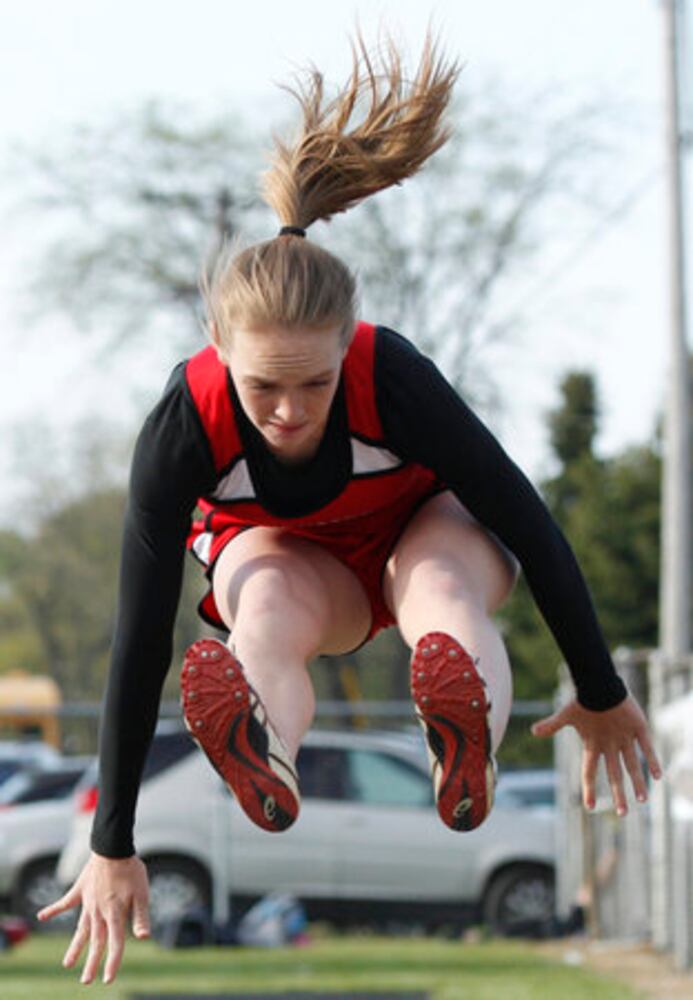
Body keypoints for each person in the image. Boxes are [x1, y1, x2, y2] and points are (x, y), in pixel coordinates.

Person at [38, 31, 661, 985]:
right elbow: (137, 638)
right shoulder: (184, 422)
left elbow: (526, 523)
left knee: (444, 590)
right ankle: (267, 754)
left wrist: (600, 686)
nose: (288, 414)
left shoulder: (394, 378)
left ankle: (466, 741)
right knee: (262, 611)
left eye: (315, 385)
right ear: (217, 348)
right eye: (263, 390)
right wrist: (113, 840)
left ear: (348, 346)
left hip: (416, 527)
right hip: (295, 559)